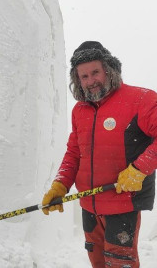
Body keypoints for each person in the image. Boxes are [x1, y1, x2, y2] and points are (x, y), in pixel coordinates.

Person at [42, 41, 157, 268]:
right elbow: (75, 153)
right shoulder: (80, 110)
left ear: (108, 69)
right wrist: (60, 185)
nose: (90, 81)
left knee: (119, 264)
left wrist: (139, 169)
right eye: (83, 76)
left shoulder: (141, 99)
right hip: (89, 206)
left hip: (122, 204)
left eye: (95, 72)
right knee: (98, 264)